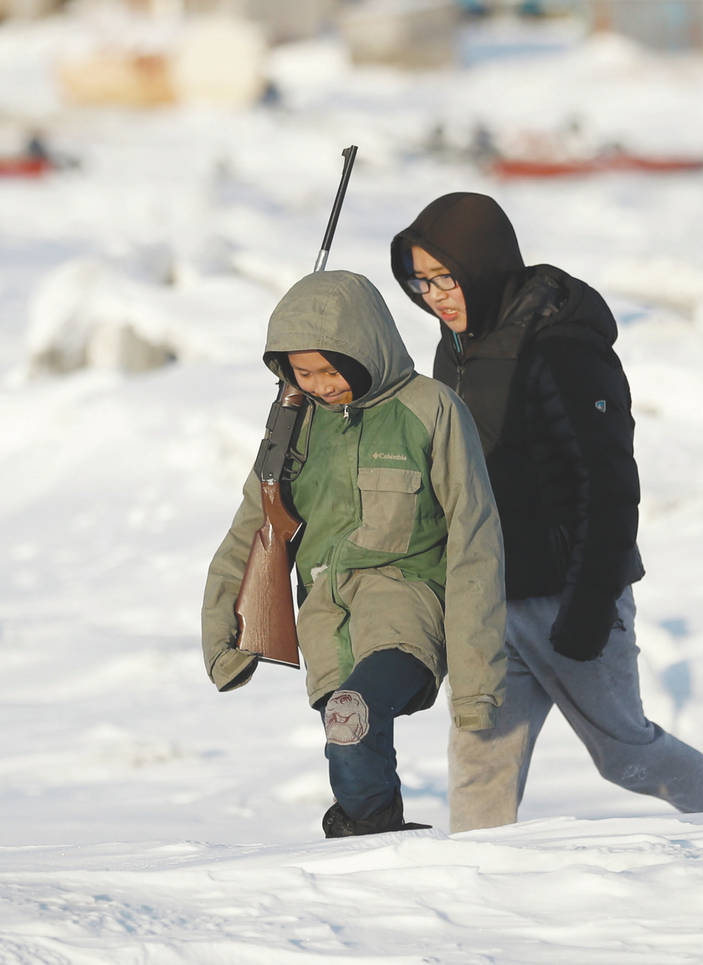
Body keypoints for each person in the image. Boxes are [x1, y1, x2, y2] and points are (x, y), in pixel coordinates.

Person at [389, 192, 703, 831]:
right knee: (480, 759)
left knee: (624, 753)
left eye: (445, 278)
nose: (433, 295)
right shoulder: (455, 349)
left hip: (567, 593)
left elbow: (610, 481)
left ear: (480, 265)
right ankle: (474, 891)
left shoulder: (561, 346)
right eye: (419, 282)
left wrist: (590, 603)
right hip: (488, 596)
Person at [202, 270, 507, 837]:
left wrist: (475, 684)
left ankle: (371, 837)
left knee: (354, 713)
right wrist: (225, 635)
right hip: (323, 617)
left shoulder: (430, 409)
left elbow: (475, 541)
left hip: (407, 606)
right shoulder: (292, 429)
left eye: (328, 368)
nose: (319, 384)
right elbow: (249, 530)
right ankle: (375, 843)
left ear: (363, 347)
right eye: (303, 372)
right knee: (347, 740)